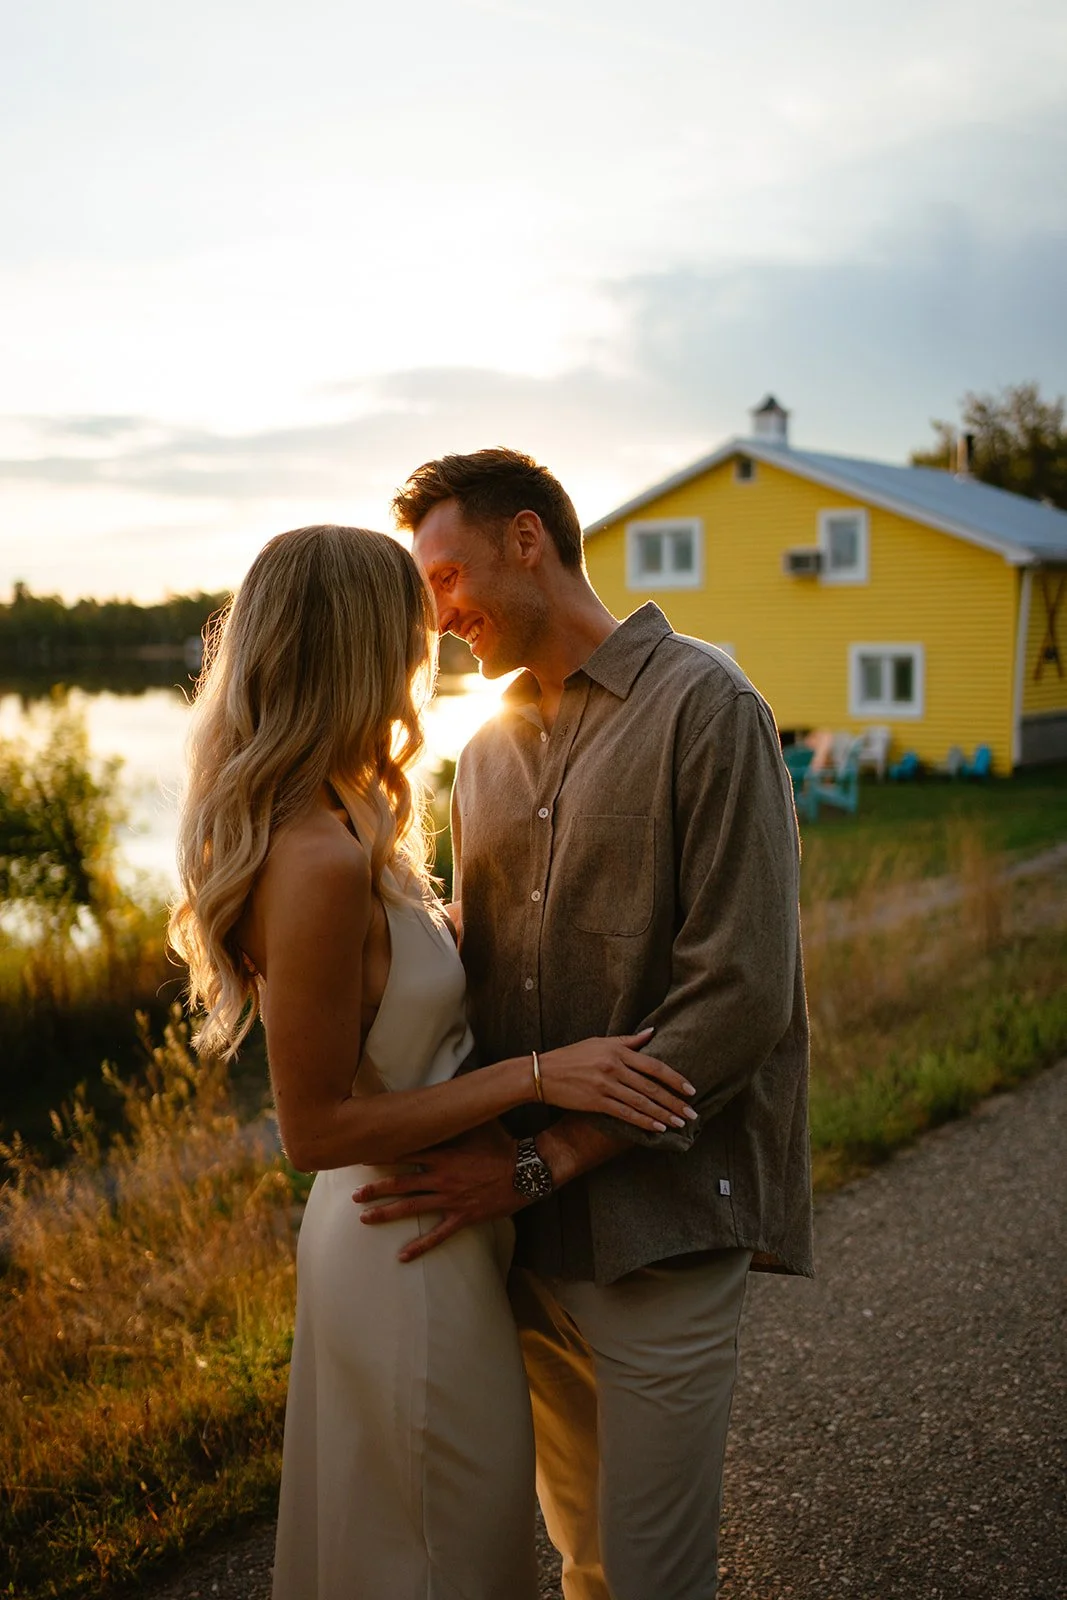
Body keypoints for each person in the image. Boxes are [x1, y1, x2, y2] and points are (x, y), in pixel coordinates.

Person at [167, 523, 697, 1600]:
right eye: (416, 625)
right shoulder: (310, 856)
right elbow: (311, 1130)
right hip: (395, 1243)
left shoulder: (354, 808)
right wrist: (539, 1075)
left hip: (446, 1236)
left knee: (450, 1540)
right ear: (361, 645)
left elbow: (398, 1004)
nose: (438, 641)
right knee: (435, 1558)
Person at [356, 452, 815, 1600]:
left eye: (448, 575)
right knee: (587, 1565)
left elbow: (740, 992)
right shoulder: (487, 754)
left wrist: (543, 1156)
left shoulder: (707, 707)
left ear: (529, 541)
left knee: (655, 1577)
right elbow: (488, 968)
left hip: (661, 1221)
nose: (440, 615)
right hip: (530, 1244)